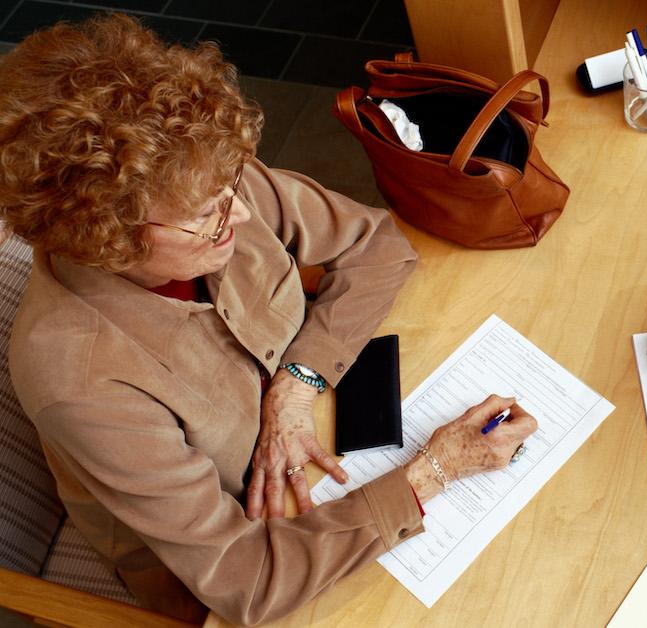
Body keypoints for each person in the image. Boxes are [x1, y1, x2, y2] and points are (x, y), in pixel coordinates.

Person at [1, 15, 536, 625]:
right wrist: (438, 469)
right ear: (106, 240)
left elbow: (376, 244)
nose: (238, 212)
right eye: (205, 215)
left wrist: (298, 380)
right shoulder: (79, 377)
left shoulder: (204, 176)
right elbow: (244, 580)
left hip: (320, 441)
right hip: (242, 548)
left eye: (230, 183)